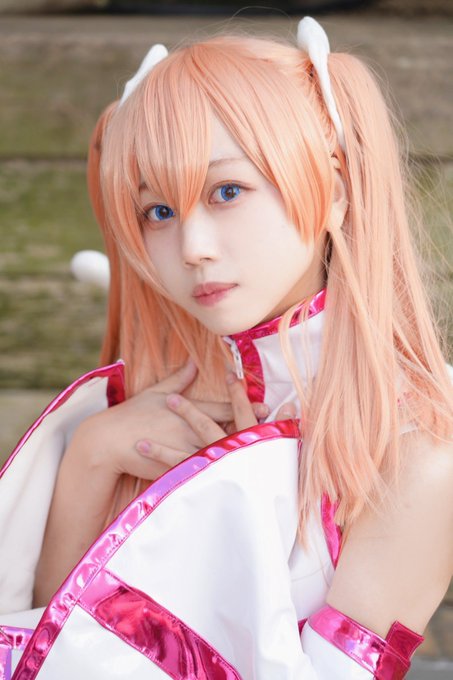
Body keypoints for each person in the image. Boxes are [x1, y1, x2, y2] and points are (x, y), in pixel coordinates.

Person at [0, 16, 452, 680]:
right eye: (158, 212)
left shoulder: (418, 448)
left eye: (227, 191)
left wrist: (243, 504)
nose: (192, 247)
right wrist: (88, 460)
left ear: (333, 189)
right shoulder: (148, 412)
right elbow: (42, 655)